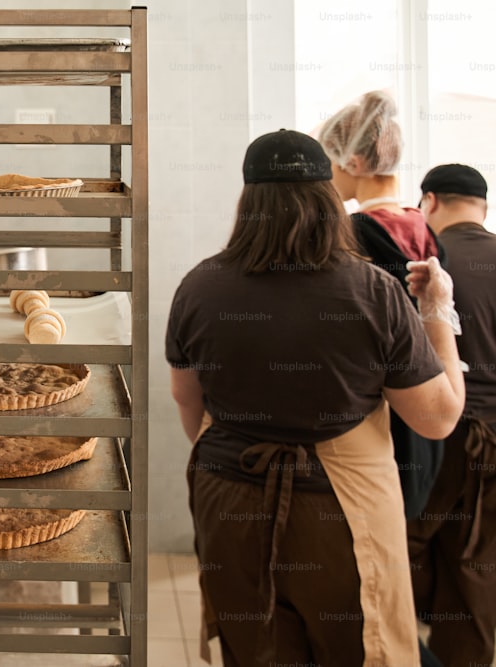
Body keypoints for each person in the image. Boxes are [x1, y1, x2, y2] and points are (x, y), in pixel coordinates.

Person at [166, 129, 464, 665]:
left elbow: (187, 402)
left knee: (257, 650)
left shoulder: (199, 285)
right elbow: (438, 418)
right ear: (330, 201)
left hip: (228, 501)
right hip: (338, 511)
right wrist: (438, 311)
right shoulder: (373, 291)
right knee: (356, 650)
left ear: (248, 203)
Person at [318, 90, 448, 521]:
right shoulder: (423, 228)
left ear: (353, 164)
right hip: (428, 401)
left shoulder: (352, 233)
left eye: (330, 164)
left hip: (373, 419)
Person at [407, 164, 496, 667]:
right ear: (482, 206)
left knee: (402, 551)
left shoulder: (425, 263)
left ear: (431, 202)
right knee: (475, 570)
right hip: (494, 443)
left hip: (433, 439)